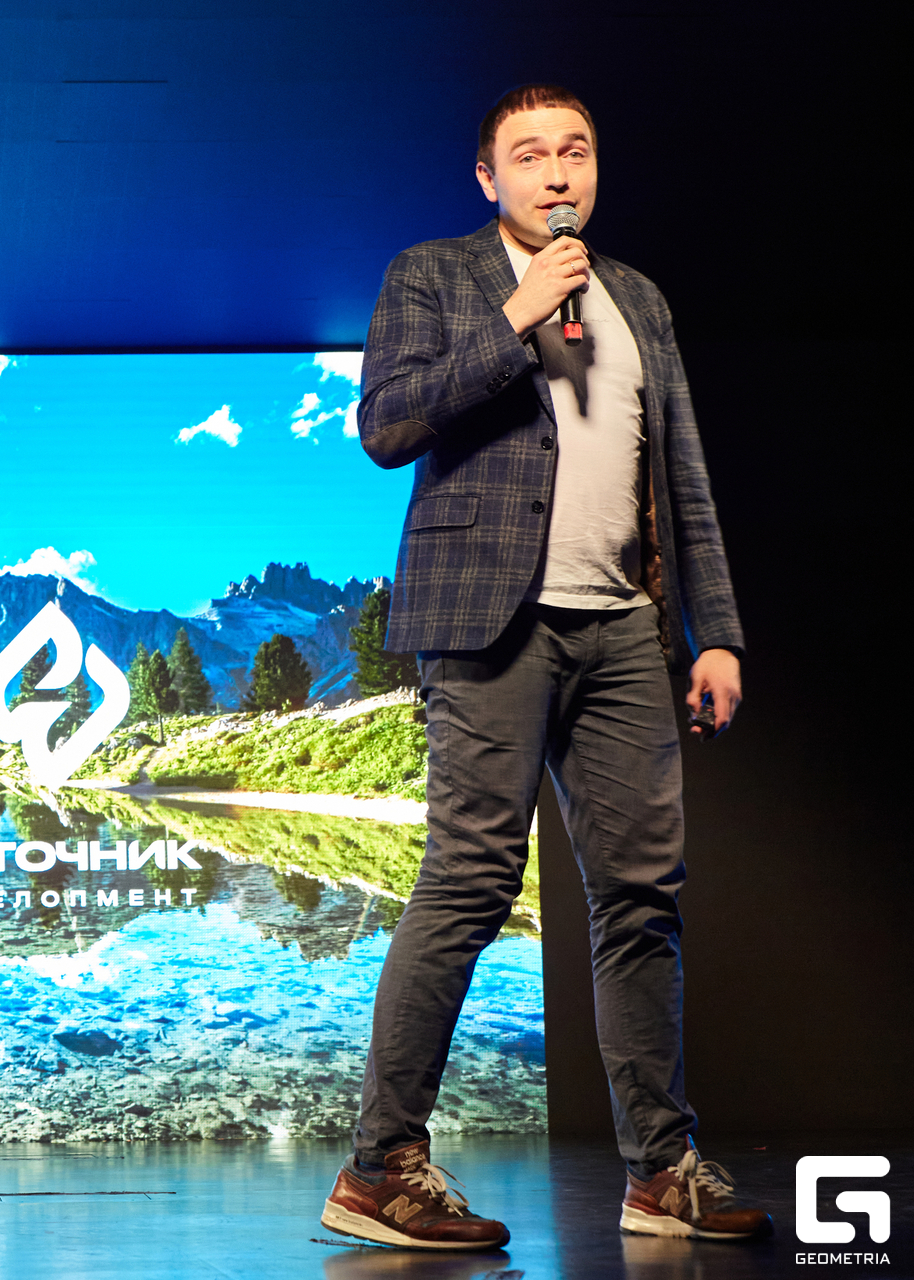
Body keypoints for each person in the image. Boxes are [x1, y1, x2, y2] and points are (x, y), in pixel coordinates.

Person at [318, 84, 771, 1250]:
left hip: (624, 628)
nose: (557, 172)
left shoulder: (640, 299)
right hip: (492, 622)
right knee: (469, 883)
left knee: (640, 899)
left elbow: (682, 471)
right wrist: (515, 315)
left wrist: (715, 629)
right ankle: (379, 1167)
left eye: (576, 150)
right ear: (489, 177)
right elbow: (386, 426)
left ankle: (660, 1171)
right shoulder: (433, 275)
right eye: (530, 155)